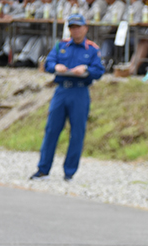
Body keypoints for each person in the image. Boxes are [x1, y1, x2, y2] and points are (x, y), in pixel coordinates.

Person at [30, 14, 105, 181]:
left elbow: (99, 71)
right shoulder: (61, 46)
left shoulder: (92, 49)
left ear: (85, 28)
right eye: (72, 27)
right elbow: (48, 63)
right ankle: (43, 169)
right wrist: (56, 66)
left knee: (77, 132)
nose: (75, 30)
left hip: (80, 91)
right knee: (51, 130)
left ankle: (69, 172)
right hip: (62, 90)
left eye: (78, 27)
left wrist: (85, 69)